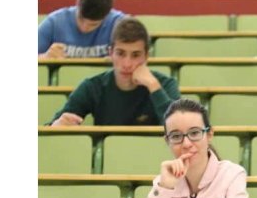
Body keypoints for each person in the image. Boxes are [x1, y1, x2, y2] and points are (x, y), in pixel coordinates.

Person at [127, 99, 250, 198]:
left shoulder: (231, 176)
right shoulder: (164, 183)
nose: (186, 143)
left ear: (209, 135)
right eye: (176, 136)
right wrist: (164, 188)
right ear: (167, 141)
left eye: (195, 133)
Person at [46, 17, 179, 127]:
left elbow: (181, 129)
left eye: (135, 55)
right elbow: (49, 128)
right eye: (120, 53)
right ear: (110, 53)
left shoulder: (165, 84)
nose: (127, 64)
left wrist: (153, 86)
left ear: (146, 57)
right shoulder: (92, 87)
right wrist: (57, 125)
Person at [38, 0, 129, 59]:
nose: (84, 28)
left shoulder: (120, 25)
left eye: (93, 25)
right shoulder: (54, 22)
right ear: (77, 4)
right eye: (81, 19)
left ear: (107, 16)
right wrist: (45, 57)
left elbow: (140, 58)